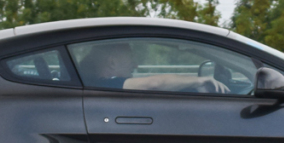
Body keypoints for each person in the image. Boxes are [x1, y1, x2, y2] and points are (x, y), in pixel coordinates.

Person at [82, 42, 230, 94]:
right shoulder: (107, 85)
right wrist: (199, 81)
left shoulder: (93, 85)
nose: (136, 65)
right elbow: (155, 84)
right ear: (112, 63)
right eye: (131, 59)